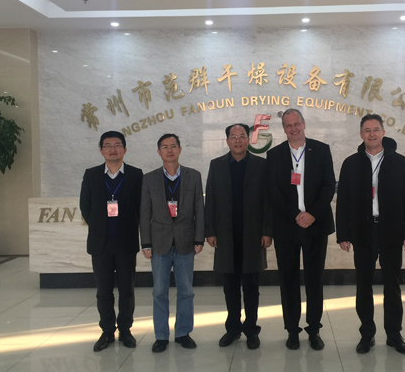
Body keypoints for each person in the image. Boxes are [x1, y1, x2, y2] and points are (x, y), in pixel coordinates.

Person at [336, 114, 405, 355]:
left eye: (375, 129)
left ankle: (394, 334)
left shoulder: (399, 162)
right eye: (367, 130)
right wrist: (343, 233)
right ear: (361, 134)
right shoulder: (351, 163)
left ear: (383, 132)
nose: (371, 134)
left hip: (391, 229)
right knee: (364, 284)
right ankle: (367, 334)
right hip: (363, 230)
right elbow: (343, 201)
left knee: (392, 283)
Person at [266, 108, 336, 351]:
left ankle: (314, 329)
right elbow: (273, 190)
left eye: (297, 124)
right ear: (283, 129)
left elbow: (329, 185)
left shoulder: (321, 149)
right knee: (288, 280)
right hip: (287, 226)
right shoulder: (274, 155)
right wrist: (295, 215)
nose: (293, 128)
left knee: (315, 279)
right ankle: (292, 330)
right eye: (288, 125)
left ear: (304, 124)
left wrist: (312, 214)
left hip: (315, 225)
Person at [205, 123, 272, 350]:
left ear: (248, 140)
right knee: (230, 286)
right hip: (225, 235)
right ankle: (232, 329)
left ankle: (251, 329)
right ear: (227, 141)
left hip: (253, 235)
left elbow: (267, 201)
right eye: (233, 137)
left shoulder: (261, 165)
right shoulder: (216, 165)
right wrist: (210, 231)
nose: (237, 140)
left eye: (242, 136)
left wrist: (267, 231)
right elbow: (210, 199)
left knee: (251, 286)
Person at [140, 133, 204, 353]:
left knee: (186, 290)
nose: (169, 150)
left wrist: (199, 238)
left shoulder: (193, 176)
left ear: (180, 149)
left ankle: (183, 333)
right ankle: (161, 335)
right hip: (159, 243)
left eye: (173, 146)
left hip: (186, 241)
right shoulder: (149, 179)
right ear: (159, 152)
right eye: (165, 147)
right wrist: (145, 243)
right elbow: (144, 213)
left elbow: (199, 209)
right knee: (159, 291)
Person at [79, 131, 143, 352]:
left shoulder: (135, 174)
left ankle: (125, 329)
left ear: (124, 149)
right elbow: (85, 206)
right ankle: (107, 331)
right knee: (103, 290)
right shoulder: (92, 174)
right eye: (108, 145)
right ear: (101, 150)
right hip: (101, 244)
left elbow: (141, 207)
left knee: (127, 289)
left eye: (117, 145)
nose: (112, 149)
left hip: (126, 242)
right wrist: (100, 226)